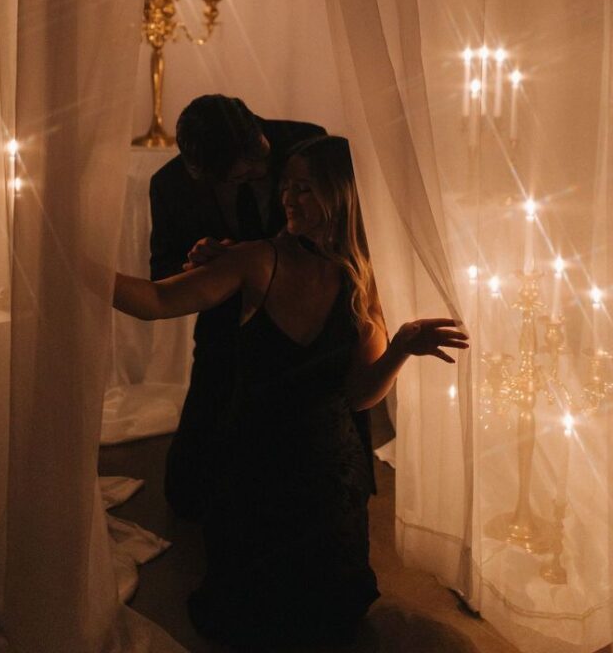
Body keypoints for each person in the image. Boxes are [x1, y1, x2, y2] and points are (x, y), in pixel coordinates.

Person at [115, 135, 468, 647]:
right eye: (286, 186)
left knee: (329, 618)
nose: (288, 199)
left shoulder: (363, 276)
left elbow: (360, 395)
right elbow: (153, 300)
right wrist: (75, 271)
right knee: (251, 620)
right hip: (254, 469)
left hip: (327, 480)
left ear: (341, 195)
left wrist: (401, 347)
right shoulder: (258, 260)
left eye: (304, 189)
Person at [149, 94, 326, 518]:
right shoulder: (169, 183)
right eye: (237, 173)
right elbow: (162, 273)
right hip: (225, 319)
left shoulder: (308, 146)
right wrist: (194, 262)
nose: (256, 172)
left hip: (305, 312)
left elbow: (346, 231)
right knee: (188, 488)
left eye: (258, 159)